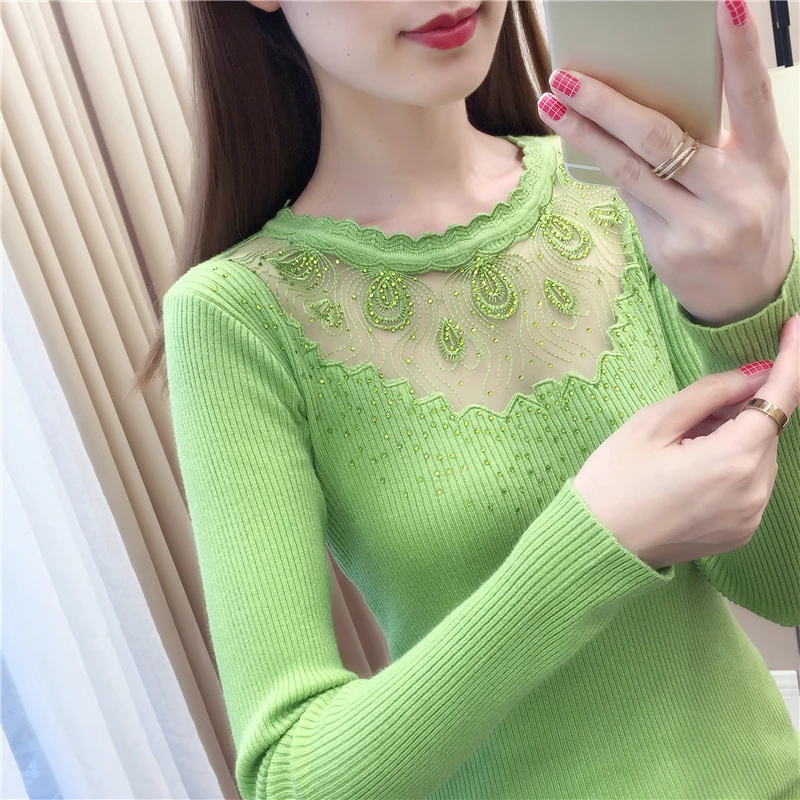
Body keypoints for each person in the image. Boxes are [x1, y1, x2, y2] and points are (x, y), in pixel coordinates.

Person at [138, 1, 800, 797]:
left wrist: (745, 306)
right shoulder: (238, 315)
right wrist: (598, 541)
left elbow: (784, 588)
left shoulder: (627, 192)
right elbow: (291, 776)